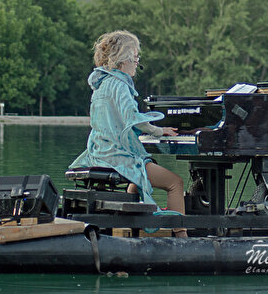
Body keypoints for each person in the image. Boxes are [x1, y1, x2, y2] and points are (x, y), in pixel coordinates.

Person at [69, 30, 187, 237]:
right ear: (124, 58)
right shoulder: (120, 85)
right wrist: (160, 131)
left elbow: (117, 122)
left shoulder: (102, 84)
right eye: (136, 57)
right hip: (116, 156)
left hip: (98, 151)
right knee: (175, 183)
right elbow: (132, 117)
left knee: (137, 180)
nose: (137, 62)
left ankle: (136, 231)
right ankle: (181, 237)